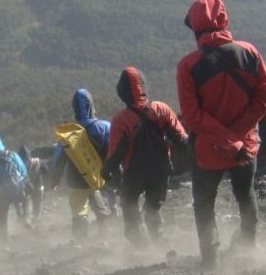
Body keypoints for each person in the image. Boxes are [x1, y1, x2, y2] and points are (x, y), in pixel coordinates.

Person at [176, 0, 266, 270]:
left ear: (195, 27)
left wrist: (225, 139)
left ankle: (210, 259)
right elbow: (265, 99)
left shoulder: (187, 66)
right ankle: (249, 247)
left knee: (204, 204)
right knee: (246, 195)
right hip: (246, 147)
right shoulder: (250, 53)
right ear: (223, 19)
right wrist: (237, 136)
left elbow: (193, 117)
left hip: (208, 152)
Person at [102, 67, 190, 247]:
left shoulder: (121, 119)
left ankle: (140, 244)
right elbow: (182, 139)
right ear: (144, 86)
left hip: (134, 172)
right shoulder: (161, 109)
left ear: (122, 91)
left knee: (129, 203)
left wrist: (104, 172)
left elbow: (116, 153)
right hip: (160, 170)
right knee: (153, 207)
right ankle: (156, 241)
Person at [49, 88, 113, 241]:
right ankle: (106, 240)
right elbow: (113, 150)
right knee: (101, 209)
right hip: (94, 177)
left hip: (75, 181)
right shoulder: (104, 127)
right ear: (91, 105)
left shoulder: (68, 132)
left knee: (79, 213)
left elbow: (59, 159)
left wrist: (55, 180)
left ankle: (80, 243)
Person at [19, 144, 49, 222]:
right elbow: (46, 170)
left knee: (26, 203)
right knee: (37, 203)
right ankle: (36, 219)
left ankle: (27, 219)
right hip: (38, 185)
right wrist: (39, 173)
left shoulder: (20, 164)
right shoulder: (37, 161)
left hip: (26, 187)